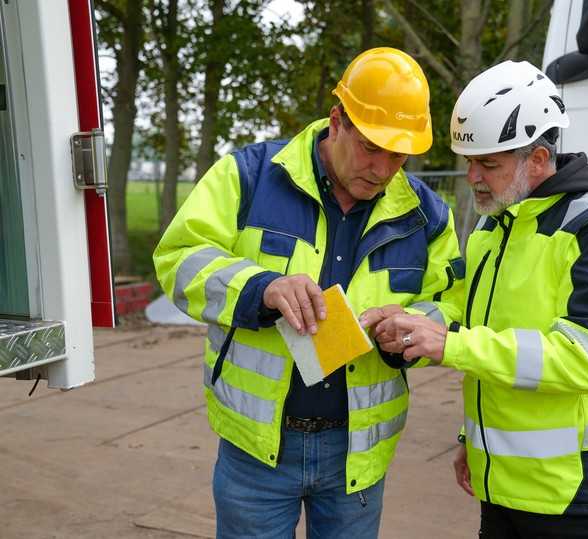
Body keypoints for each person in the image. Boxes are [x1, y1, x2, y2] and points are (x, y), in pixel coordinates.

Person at [153, 47, 464, 539]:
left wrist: (412, 330)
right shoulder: (249, 176)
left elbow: (451, 303)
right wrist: (262, 287)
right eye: (370, 147)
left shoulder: (427, 216)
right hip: (255, 451)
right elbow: (178, 259)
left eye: (398, 155)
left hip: (358, 456)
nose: (383, 169)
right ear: (337, 120)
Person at [367, 60, 588, 538]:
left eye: (489, 164)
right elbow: (463, 312)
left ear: (537, 160)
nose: (472, 176)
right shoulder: (495, 225)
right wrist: (410, 321)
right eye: (470, 161)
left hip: (576, 498)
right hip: (501, 487)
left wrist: (448, 343)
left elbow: (580, 359)